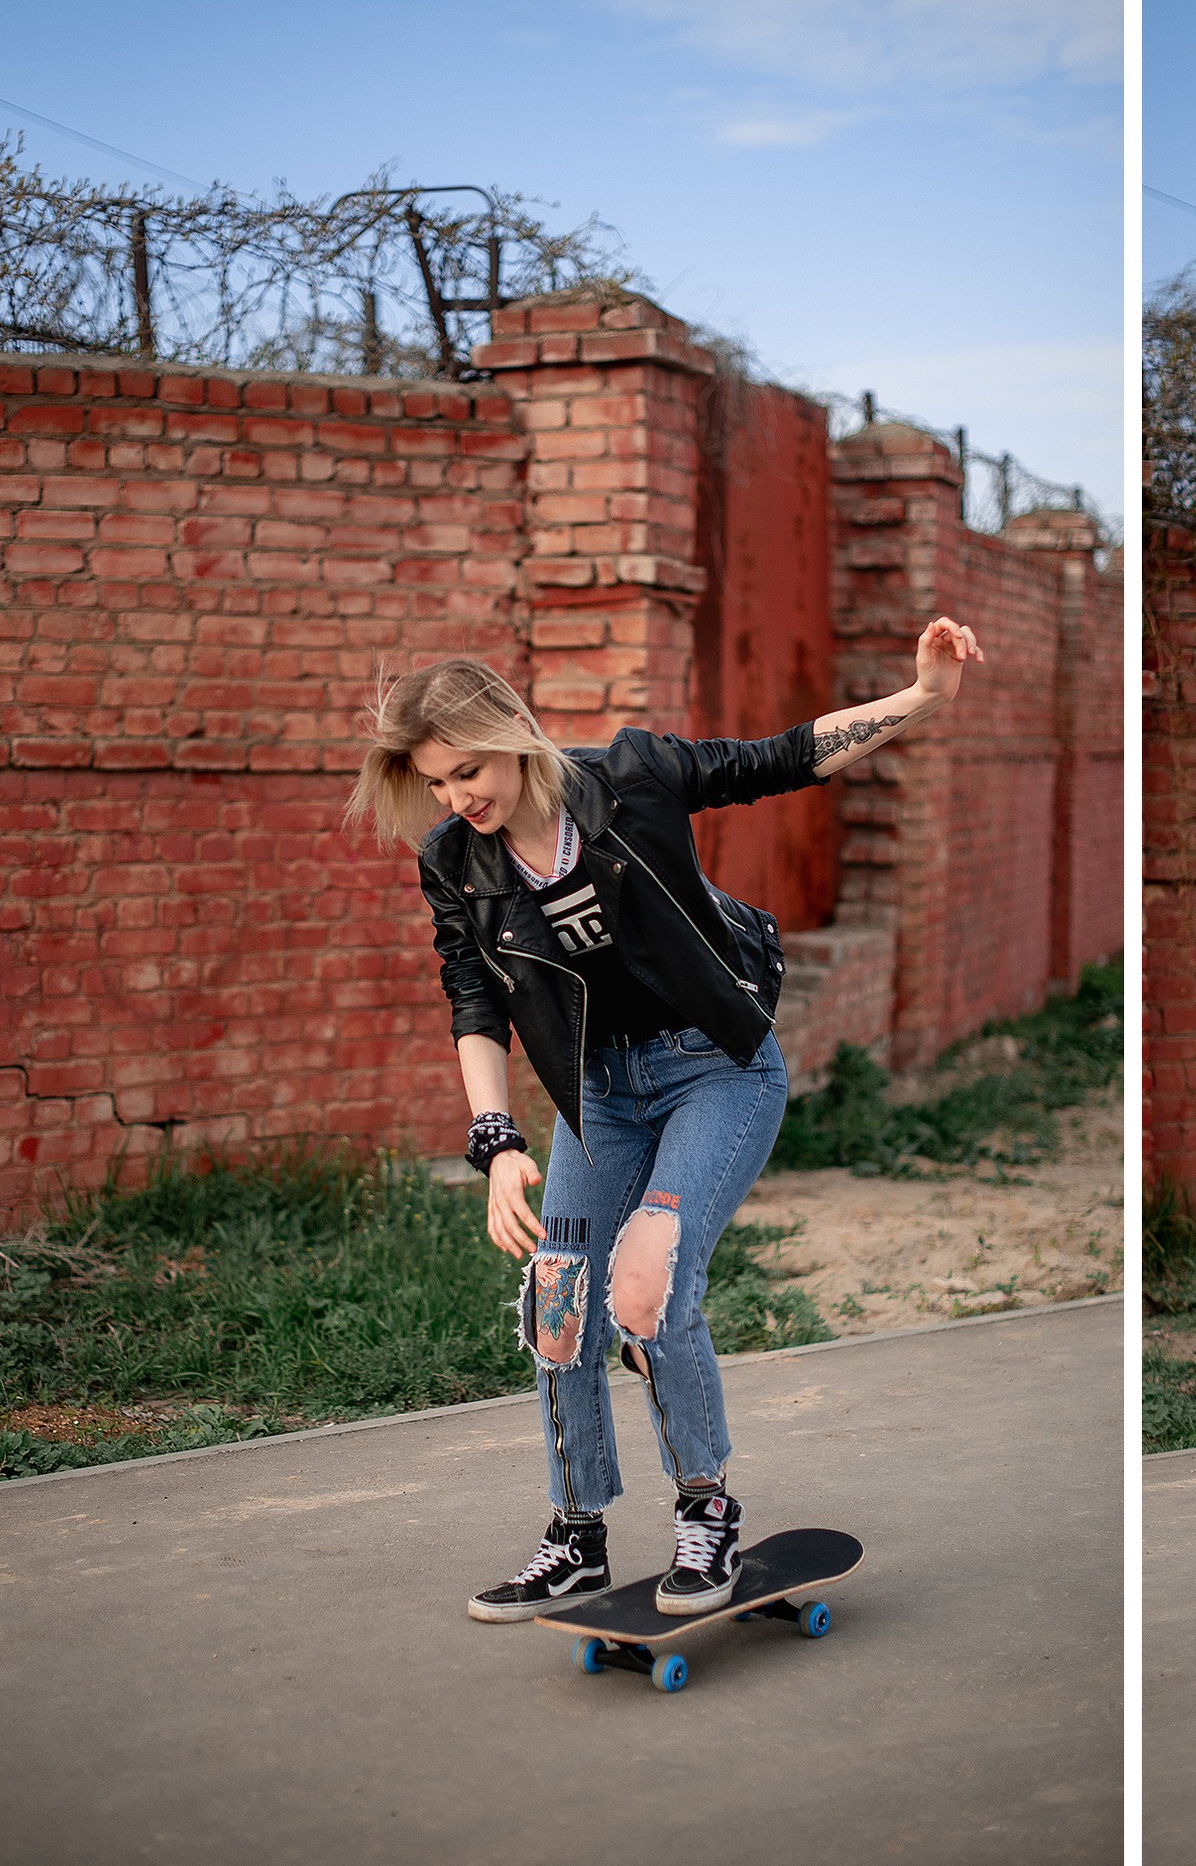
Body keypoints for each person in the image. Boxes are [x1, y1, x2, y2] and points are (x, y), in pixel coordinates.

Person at [346, 617, 985, 1618]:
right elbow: (472, 997)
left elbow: (777, 757)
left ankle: (706, 1508)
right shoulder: (454, 860)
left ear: (513, 733)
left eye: (469, 769)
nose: (457, 795)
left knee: (646, 1285)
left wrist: (921, 700)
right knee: (559, 1299)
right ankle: (578, 1533)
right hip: (601, 1095)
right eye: (436, 781)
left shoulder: (630, 776)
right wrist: (496, 1138)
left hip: (713, 1071)